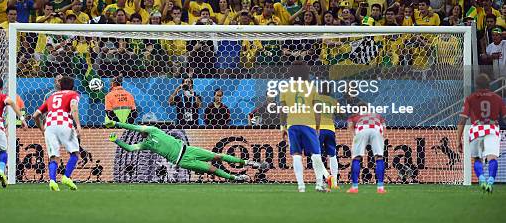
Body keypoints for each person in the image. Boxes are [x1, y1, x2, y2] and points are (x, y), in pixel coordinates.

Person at [105, 120, 267, 181]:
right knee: (213, 169)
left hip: (188, 150)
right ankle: (235, 177)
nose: (141, 128)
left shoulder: (154, 129)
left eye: (141, 127)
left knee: (217, 156)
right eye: (140, 128)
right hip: (183, 161)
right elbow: (129, 148)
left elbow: (132, 126)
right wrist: (117, 141)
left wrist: (117, 124)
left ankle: (249, 162)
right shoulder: (146, 144)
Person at [279, 62, 333, 192]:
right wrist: (318, 125)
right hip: (308, 124)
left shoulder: (285, 88)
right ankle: (319, 184)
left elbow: (282, 110)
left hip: (292, 124)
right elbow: (317, 108)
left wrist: (283, 126)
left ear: (291, 72)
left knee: (296, 154)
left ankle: (301, 186)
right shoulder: (312, 87)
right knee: (316, 153)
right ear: (306, 72)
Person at [457, 73, 506, 193]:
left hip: (476, 130)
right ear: (489, 85)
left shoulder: (470, 98)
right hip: (492, 129)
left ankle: (482, 179)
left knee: (477, 159)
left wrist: (458, 140)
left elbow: (462, 120)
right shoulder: (497, 98)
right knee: (492, 158)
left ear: (476, 85)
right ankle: (490, 182)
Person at [32, 76, 82, 191]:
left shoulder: (51, 96)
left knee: (53, 156)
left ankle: (53, 181)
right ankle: (66, 177)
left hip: (49, 126)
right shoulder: (73, 94)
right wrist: (78, 125)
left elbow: (35, 115)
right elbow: (73, 107)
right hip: (64, 123)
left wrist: (42, 129)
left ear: (60, 86)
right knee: (75, 153)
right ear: (72, 86)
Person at [347, 110, 387, 194]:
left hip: (362, 131)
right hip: (376, 131)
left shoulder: (354, 116)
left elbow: (350, 126)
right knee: (379, 157)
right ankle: (380, 188)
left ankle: (354, 187)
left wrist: (354, 137)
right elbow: (384, 128)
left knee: (356, 158)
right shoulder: (377, 115)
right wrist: (381, 137)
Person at [314, 93, 340, 188]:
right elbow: (340, 112)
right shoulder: (332, 100)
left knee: (316, 155)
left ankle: (323, 180)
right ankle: (335, 183)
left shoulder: (316, 100)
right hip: (330, 129)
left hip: (319, 129)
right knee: (332, 155)